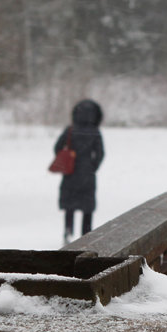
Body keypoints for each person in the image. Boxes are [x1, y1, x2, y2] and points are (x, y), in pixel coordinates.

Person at [54, 99, 105, 242]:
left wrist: (67, 159)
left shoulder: (70, 129)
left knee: (70, 204)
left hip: (71, 172)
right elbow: (100, 153)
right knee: (87, 205)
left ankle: (68, 232)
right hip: (88, 173)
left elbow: (57, 147)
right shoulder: (95, 132)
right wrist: (93, 166)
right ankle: (86, 235)